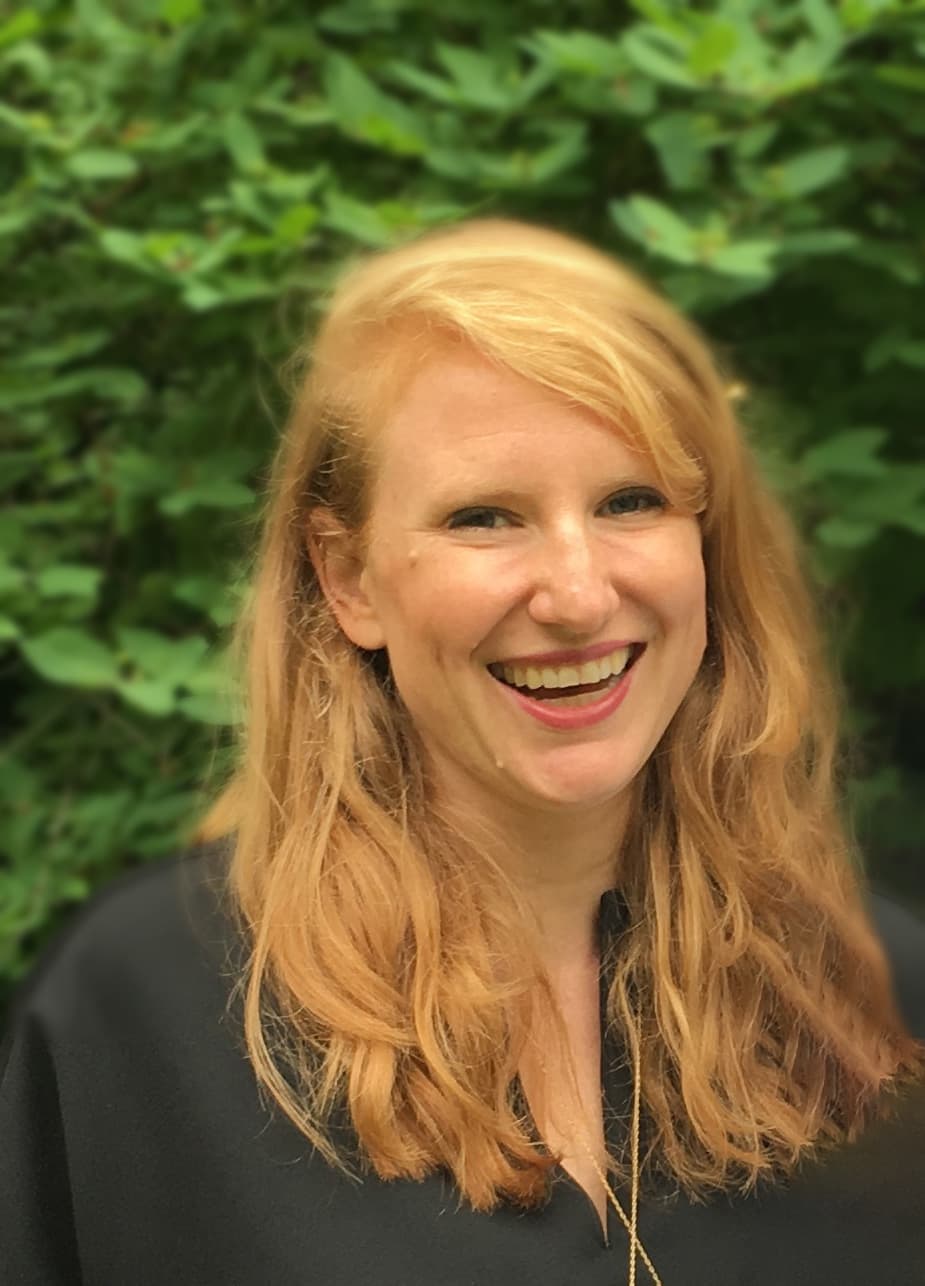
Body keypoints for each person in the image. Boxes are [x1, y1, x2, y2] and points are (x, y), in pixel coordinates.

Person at [2, 218, 925, 1286]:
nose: (578, 595)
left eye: (631, 500)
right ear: (347, 579)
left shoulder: (872, 996)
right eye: (484, 516)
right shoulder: (144, 1016)